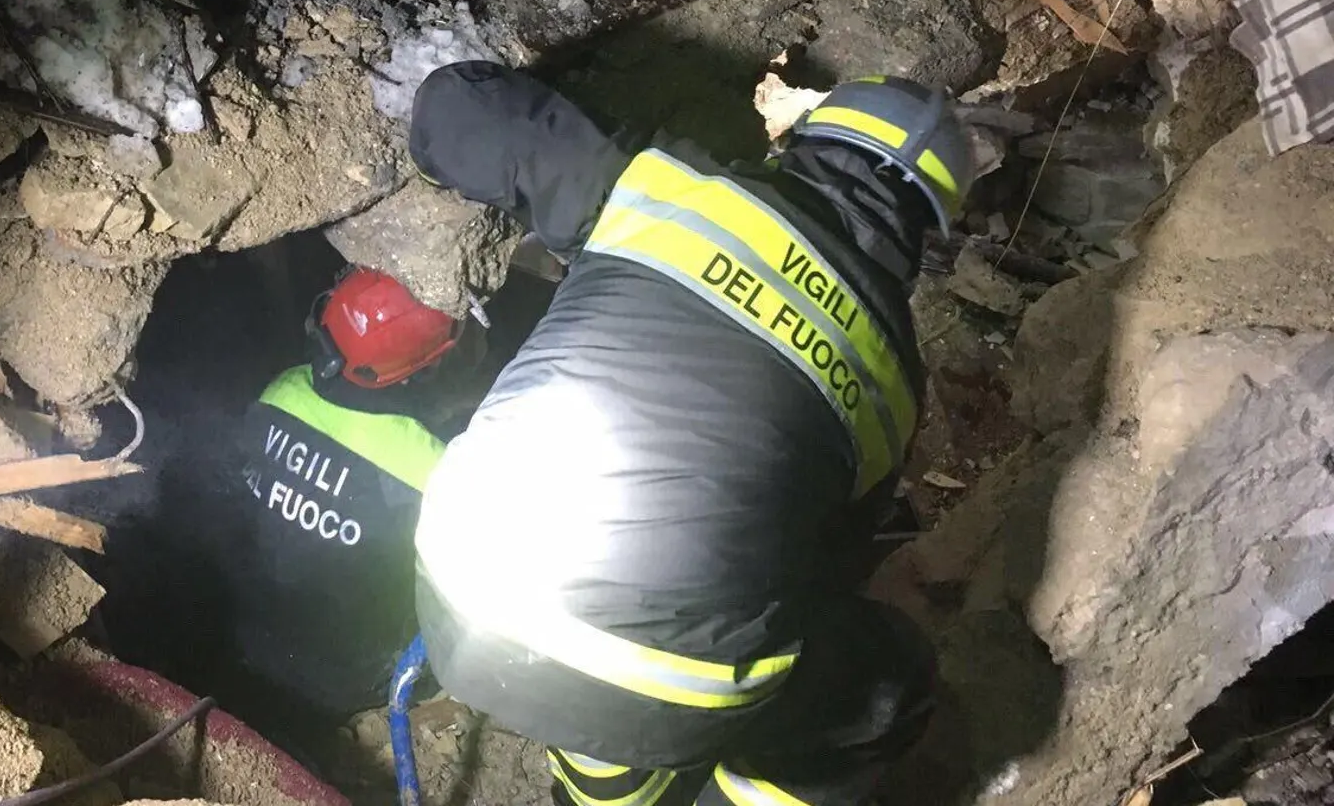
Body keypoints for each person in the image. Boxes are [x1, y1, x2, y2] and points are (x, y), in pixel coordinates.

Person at [408, 62, 972, 806]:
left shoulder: (661, 190)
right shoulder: (894, 378)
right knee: (886, 686)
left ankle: (604, 797)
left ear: (801, 142)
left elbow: (459, 111)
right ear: (922, 229)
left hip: (458, 592)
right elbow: (820, 567)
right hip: (650, 685)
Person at [228, 265, 480, 730]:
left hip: (247, 633)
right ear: (418, 371)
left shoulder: (282, 390)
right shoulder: (427, 465)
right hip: (346, 677)